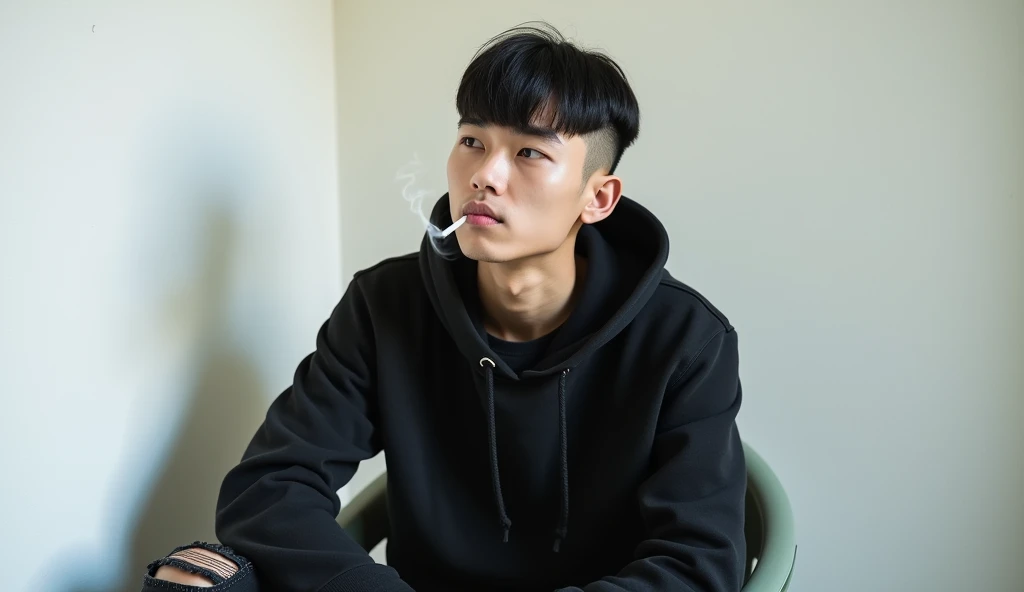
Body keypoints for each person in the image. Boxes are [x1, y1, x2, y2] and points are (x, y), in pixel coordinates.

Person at [141, 22, 747, 592]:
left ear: (598, 197)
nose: (485, 174)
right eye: (471, 140)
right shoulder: (385, 307)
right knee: (191, 578)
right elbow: (268, 490)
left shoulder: (685, 338)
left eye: (530, 153)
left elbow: (699, 563)